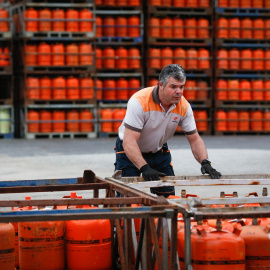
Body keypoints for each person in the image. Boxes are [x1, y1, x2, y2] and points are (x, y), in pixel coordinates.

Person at [114, 64, 221, 198]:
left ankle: (163, 218)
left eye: (181, 87)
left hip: (158, 150)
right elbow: (129, 142)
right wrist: (144, 167)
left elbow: (195, 139)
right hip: (129, 150)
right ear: (161, 85)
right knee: (127, 196)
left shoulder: (184, 107)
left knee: (167, 197)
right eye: (173, 87)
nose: (179, 91)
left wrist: (205, 162)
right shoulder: (139, 102)